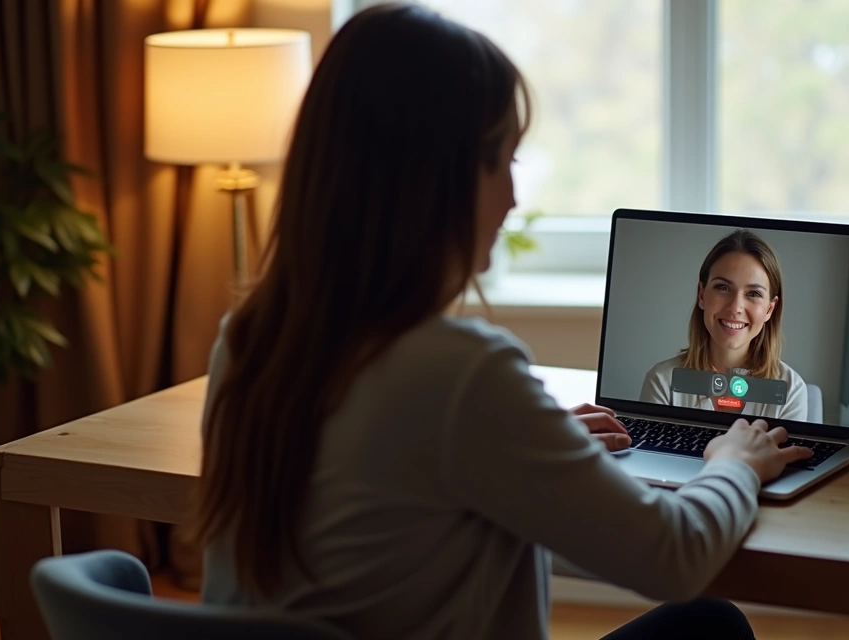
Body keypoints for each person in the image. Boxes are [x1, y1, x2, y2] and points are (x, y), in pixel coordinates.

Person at [194, 4, 812, 639]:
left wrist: (530, 444)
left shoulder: (245, 340)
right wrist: (736, 460)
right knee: (709, 627)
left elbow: (391, 473)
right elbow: (676, 558)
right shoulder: (462, 372)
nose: (514, 197)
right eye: (504, 161)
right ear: (442, 178)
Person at [640, 230, 810, 421]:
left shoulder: (791, 389)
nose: (735, 307)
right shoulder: (662, 382)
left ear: (770, 309)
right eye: (723, 288)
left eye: (753, 293)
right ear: (702, 295)